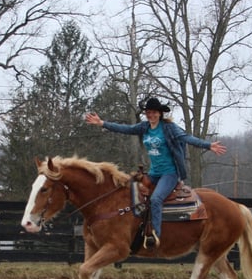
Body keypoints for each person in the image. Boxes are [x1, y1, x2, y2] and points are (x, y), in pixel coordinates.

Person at [85, 97, 227, 248]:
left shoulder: (169, 128)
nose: (150, 115)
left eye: (153, 112)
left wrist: (208, 145)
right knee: (131, 191)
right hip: (154, 173)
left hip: (169, 173)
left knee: (156, 199)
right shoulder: (145, 127)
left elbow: (187, 138)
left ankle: (155, 234)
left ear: (160, 113)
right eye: (148, 112)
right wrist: (102, 123)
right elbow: (126, 129)